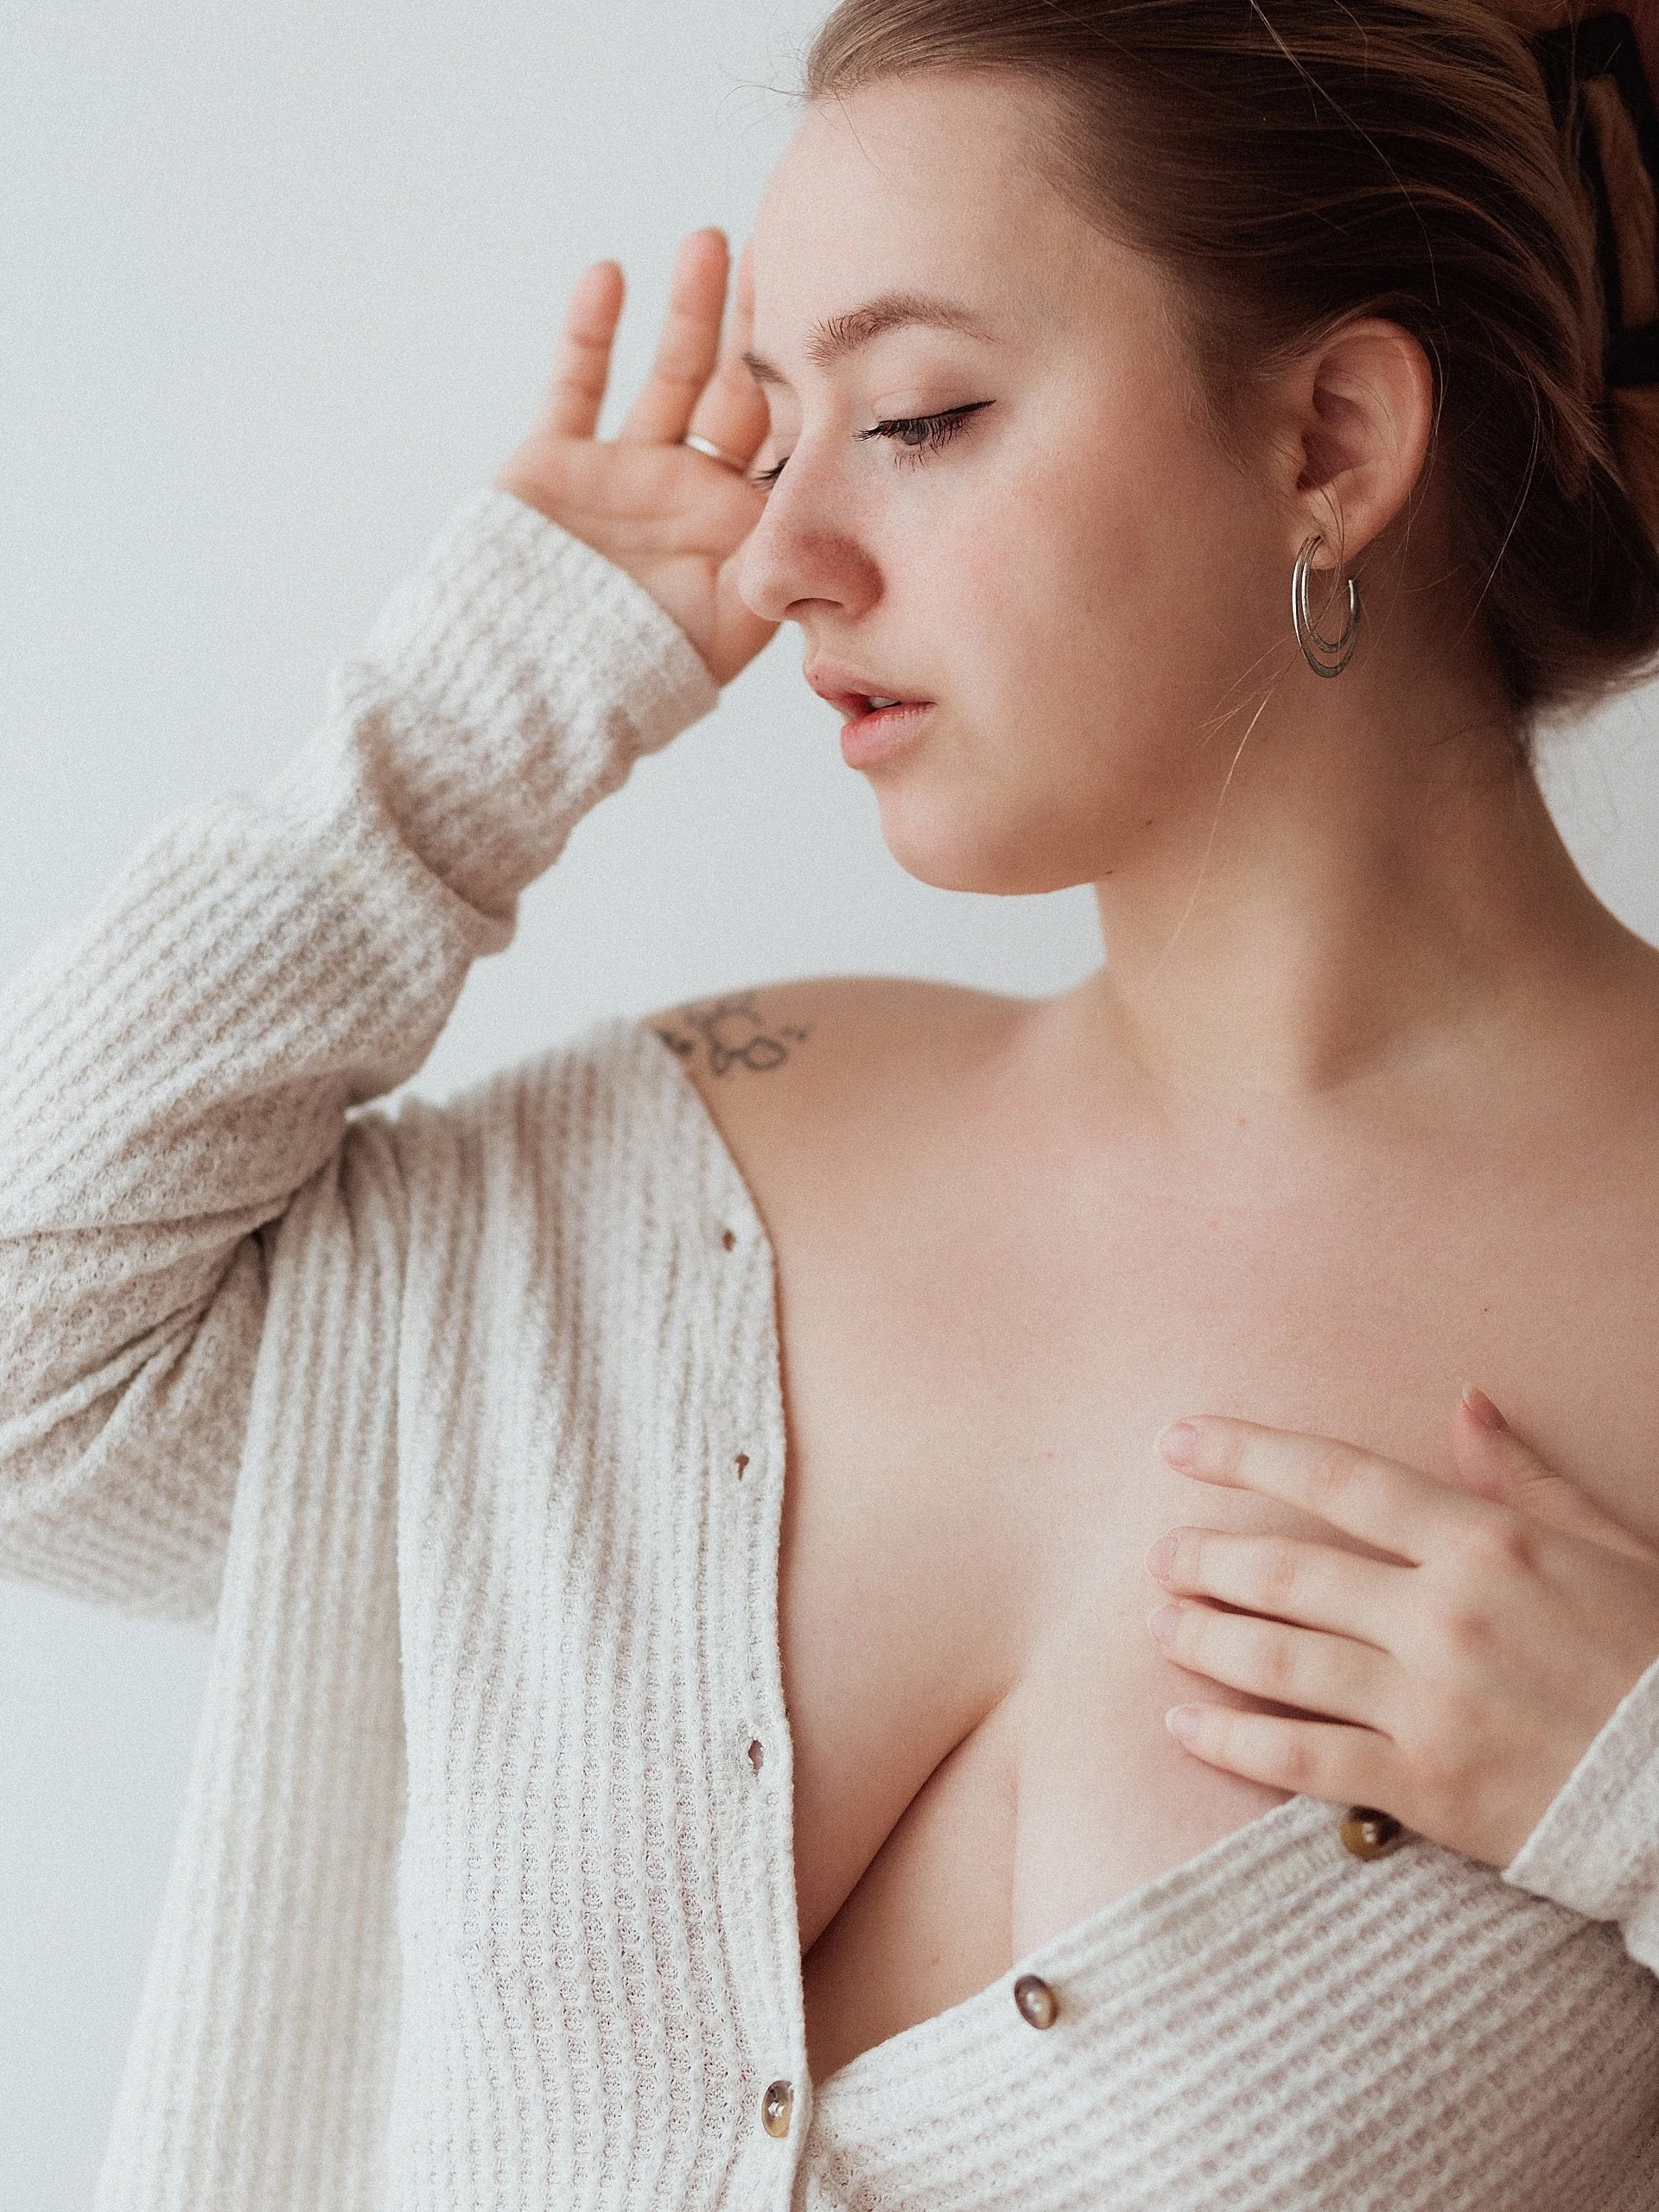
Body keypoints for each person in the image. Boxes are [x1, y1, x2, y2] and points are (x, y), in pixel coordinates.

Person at [10, 0, 1659, 2203]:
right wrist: (474, 715)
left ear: (1332, 438)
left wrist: (1639, 1784)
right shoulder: (682, 1169)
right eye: (775, 432)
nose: (780, 551)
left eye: (915, 416)